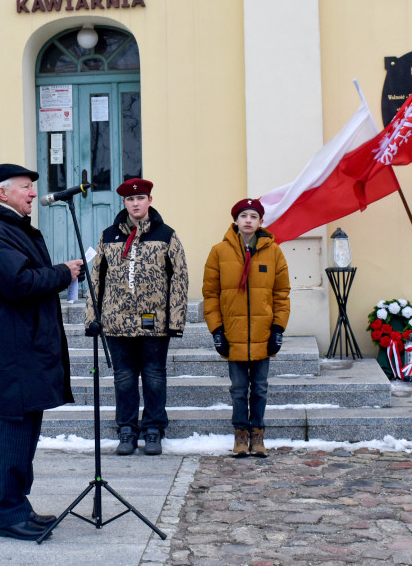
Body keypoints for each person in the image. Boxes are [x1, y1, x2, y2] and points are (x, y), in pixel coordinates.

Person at [0, 163, 83, 541]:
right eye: (26, 188)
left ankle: (19, 504)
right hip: (11, 344)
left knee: (26, 427)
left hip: (23, 340)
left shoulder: (9, 227)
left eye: (32, 188)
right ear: (2, 193)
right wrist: (63, 272)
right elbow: (17, 283)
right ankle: (9, 513)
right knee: (14, 429)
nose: (32, 194)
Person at [85, 178, 188, 456]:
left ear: (149, 201)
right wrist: (91, 317)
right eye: (130, 199)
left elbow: (179, 277)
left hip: (154, 321)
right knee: (124, 378)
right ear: (124, 203)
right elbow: (96, 279)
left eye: (141, 198)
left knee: (154, 376)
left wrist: (176, 320)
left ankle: (153, 429)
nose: (136, 203)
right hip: (116, 322)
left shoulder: (166, 235)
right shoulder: (108, 236)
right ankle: (127, 430)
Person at [202, 198, 290, 458]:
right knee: (239, 388)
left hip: (262, 334)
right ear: (236, 221)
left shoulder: (274, 252)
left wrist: (278, 328)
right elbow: (211, 294)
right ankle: (240, 434)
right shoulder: (219, 252)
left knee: (260, 387)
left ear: (261, 222)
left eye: (254, 216)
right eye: (244, 216)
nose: (248, 220)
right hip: (233, 333)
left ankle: (257, 435)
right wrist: (217, 330)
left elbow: (281, 293)